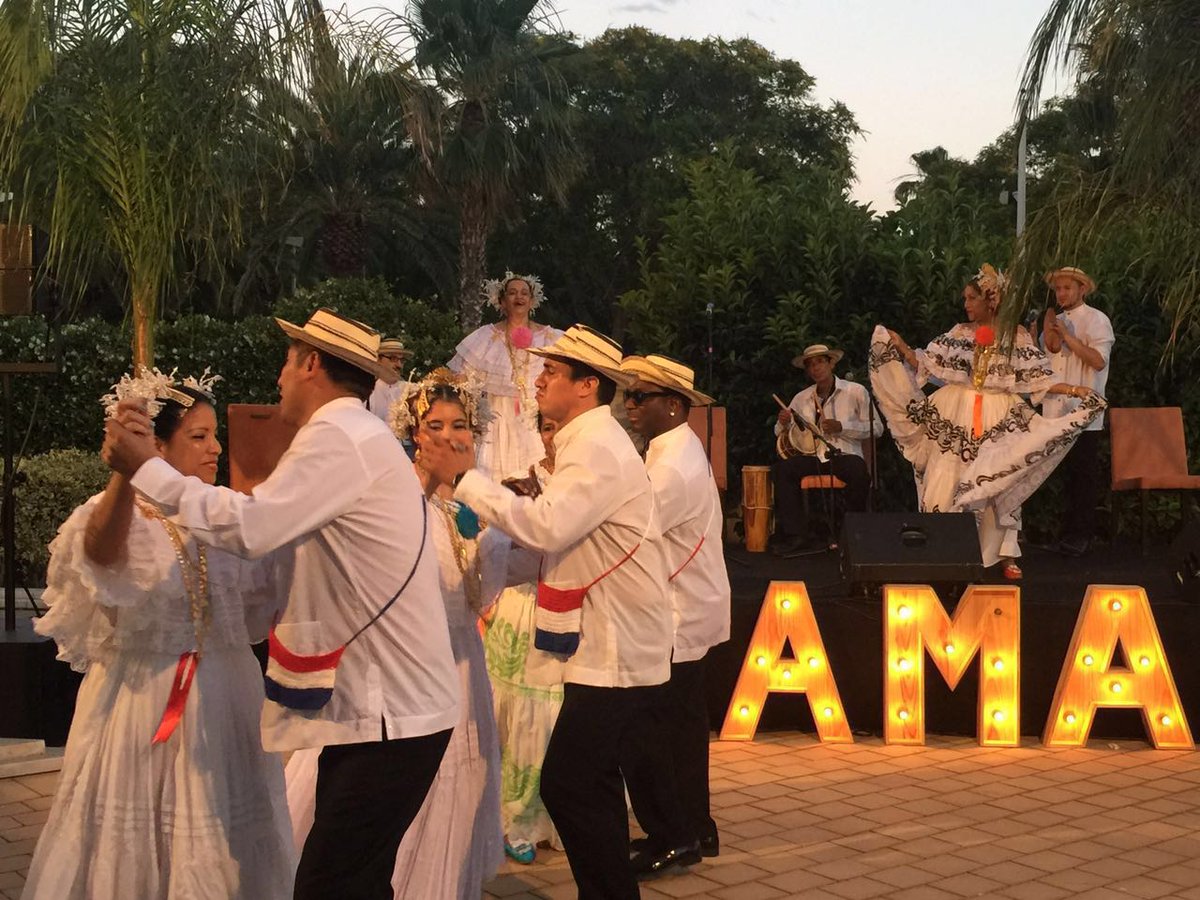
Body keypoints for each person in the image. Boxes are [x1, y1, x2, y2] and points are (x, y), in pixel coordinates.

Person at [101, 308, 461, 900]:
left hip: (390, 715)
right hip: (391, 711)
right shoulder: (356, 434)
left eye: (287, 361)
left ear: (312, 364)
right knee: (357, 882)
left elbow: (254, 527)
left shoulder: (338, 436)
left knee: (330, 885)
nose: (278, 378)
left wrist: (148, 471)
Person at [421, 324, 674, 900]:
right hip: (608, 645)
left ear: (588, 386)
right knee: (588, 782)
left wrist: (464, 479)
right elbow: (552, 542)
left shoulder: (596, 444)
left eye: (554, 372)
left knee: (569, 783)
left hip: (616, 648)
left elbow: (549, 526)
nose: (539, 378)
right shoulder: (591, 440)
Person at [23, 371, 295, 900]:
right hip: (140, 702)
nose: (215, 447)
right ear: (157, 446)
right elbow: (102, 557)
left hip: (226, 700)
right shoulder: (110, 515)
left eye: (215, 434)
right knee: (134, 840)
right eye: (197, 436)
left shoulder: (223, 517)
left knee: (225, 837)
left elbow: (274, 589)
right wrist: (126, 474)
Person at [287, 369, 505, 899]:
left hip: (462, 665)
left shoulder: (478, 501)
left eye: (458, 426)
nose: (447, 437)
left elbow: (495, 578)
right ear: (412, 432)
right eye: (434, 425)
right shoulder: (395, 498)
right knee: (378, 820)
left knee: (458, 789)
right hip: (400, 672)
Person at [871, 265, 1107, 580]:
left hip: (999, 413)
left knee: (997, 480)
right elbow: (930, 364)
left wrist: (1077, 390)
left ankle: (1002, 554)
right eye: (965, 298)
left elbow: (1038, 380)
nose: (966, 304)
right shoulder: (959, 333)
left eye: (972, 298)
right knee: (945, 477)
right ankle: (943, 550)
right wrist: (900, 347)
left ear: (990, 300)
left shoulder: (1016, 336)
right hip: (958, 411)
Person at [620, 353, 731, 872]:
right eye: (629, 394)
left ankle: (674, 833)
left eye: (640, 396)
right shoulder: (671, 450)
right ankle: (694, 828)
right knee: (680, 730)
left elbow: (629, 533)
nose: (629, 404)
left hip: (676, 614)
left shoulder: (672, 462)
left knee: (655, 732)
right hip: (682, 611)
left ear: (672, 404)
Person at [481, 413, 566, 865]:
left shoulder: (587, 483)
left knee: (558, 713)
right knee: (515, 713)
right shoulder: (520, 484)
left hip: (570, 609)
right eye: (547, 427)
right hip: (521, 607)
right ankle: (515, 817)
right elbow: (497, 548)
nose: (553, 436)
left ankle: (558, 814)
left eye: (559, 427)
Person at [448, 271, 563, 480]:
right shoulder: (486, 337)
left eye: (524, 293)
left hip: (535, 417)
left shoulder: (549, 337)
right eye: (512, 293)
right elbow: (461, 380)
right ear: (501, 301)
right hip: (497, 417)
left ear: (531, 301)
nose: (519, 297)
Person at [771, 343, 882, 556]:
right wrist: (783, 422)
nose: (816, 368)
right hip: (813, 455)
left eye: (820, 362)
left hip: (844, 454)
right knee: (783, 470)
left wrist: (843, 428)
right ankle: (797, 535)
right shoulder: (801, 397)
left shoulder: (855, 391)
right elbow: (780, 432)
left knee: (858, 472)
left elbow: (876, 428)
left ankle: (850, 533)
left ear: (831, 363)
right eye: (811, 365)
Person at [1041, 266, 1114, 556]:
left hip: (1083, 411)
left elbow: (1098, 361)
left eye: (1067, 288)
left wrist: (1069, 338)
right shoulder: (1052, 321)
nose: (1062, 294)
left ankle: (1082, 535)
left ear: (1082, 289)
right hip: (1054, 410)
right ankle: (1057, 533)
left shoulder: (1097, 320)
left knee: (1082, 475)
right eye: (1058, 289)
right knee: (1055, 475)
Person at [367, 337, 412, 422]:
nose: (399, 365)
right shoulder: (368, 391)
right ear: (378, 360)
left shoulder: (410, 391)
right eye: (393, 359)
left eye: (402, 360)